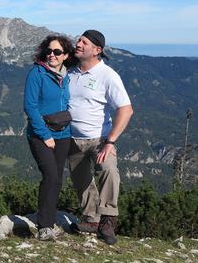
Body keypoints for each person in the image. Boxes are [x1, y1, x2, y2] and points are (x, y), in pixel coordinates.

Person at [67, 30, 133, 245]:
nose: (78, 44)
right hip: (72, 139)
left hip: (100, 139)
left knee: (108, 170)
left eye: (83, 42)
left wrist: (111, 141)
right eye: (78, 40)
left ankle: (108, 219)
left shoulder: (108, 75)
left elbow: (126, 109)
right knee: (81, 180)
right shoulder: (70, 72)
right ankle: (91, 220)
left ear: (97, 50)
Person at [23, 35, 76, 241]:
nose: (51, 55)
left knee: (57, 180)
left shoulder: (68, 75)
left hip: (63, 133)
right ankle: (44, 226)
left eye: (57, 52)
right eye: (49, 51)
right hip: (40, 134)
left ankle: (50, 220)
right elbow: (30, 106)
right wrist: (45, 135)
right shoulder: (37, 73)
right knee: (51, 176)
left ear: (66, 56)